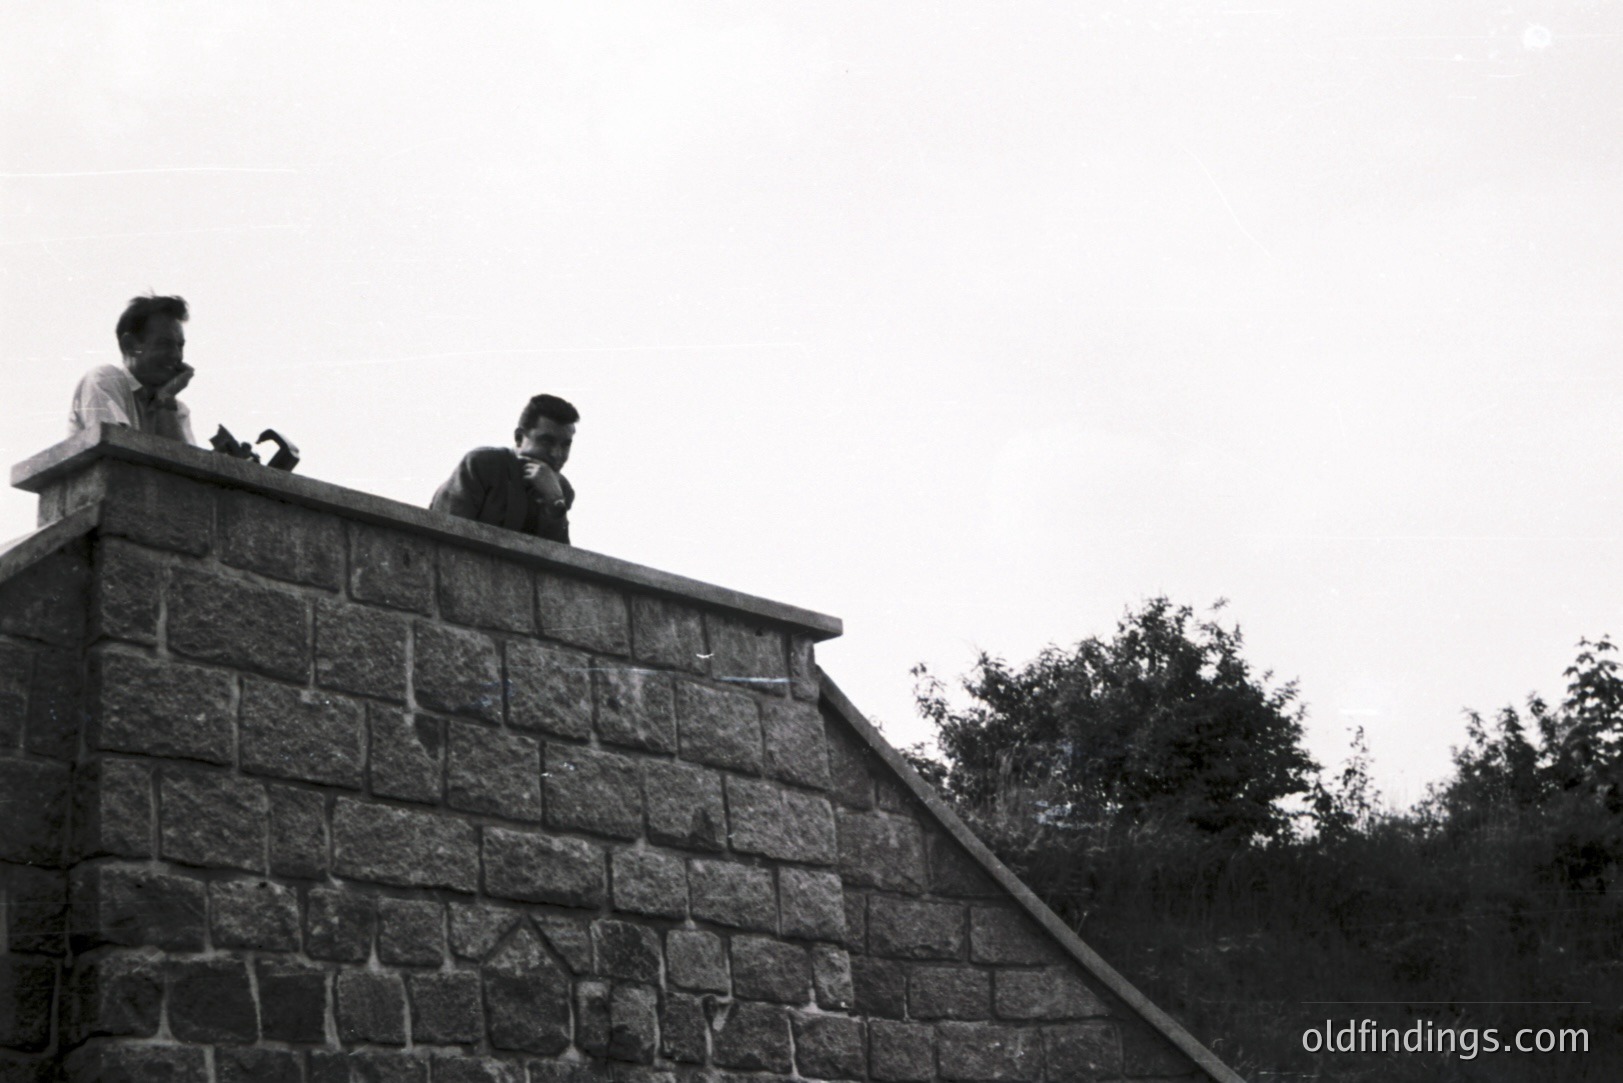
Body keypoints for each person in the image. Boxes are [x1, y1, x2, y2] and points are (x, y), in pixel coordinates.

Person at [430, 393, 579, 544]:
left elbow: (558, 558)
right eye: (546, 441)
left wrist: (555, 503)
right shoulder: (483, 464)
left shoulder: (561, 489)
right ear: (519, 438)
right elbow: (445, 531)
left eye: (565, 444)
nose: (556, 454)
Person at [69, 294, 196, 445]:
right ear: (129, 346)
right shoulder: (105, 379)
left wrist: (166, 400)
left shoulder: (177, 410)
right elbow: (117, 454)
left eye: (180, 345)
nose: (177, 355)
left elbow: (184, 466)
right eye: (164, 344)